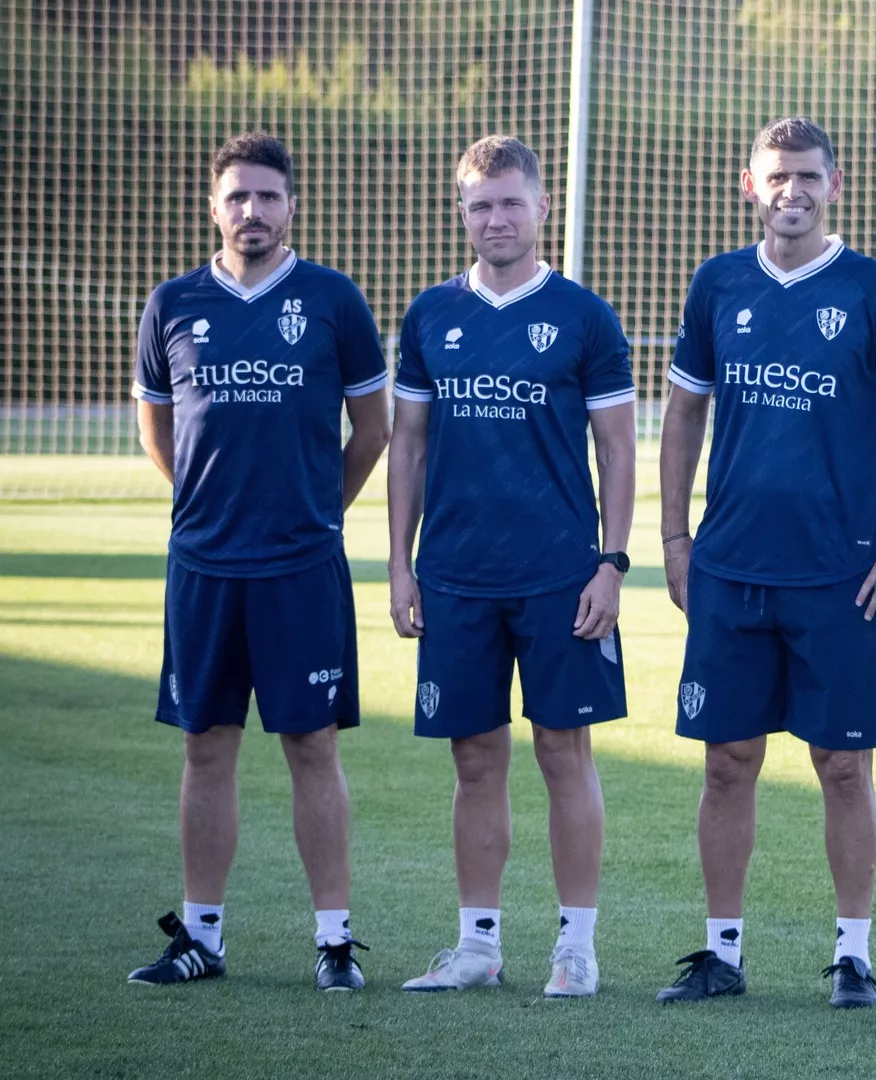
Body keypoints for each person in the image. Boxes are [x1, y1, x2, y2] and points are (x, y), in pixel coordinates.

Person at [655, 117, 876, 1009]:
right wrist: (672, 537)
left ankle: (853, 956)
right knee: (727, 761)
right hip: (731, 569)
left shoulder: (870, 289)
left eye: (808, 176)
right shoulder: (718, 284)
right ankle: (721, 953)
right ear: (750, 184)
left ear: (835, 183)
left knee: (843, 765)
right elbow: (684, 415)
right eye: (777, 177)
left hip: (840, 575)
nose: (793, 191)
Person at [128, 131, 389, 992]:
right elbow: (159, 435)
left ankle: (335, 942)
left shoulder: (332, 300)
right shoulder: (170, 303)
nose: (252, 210)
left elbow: (375, 429)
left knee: (311, 745)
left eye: (268, 196)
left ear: (291, 204)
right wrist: (210, 508)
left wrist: (316, 510)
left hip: (301, 566)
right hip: (203, 564)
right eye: (237, 196)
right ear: (215, 205)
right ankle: (201, 936)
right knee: (206, 746)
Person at [387, 135, 636, 1000]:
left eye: (510, 203)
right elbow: (408, 444)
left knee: (565, 753)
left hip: (560, 576)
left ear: (540, 208)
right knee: (474, 759)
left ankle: (576, 947)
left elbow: (616, 447)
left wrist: (611, 562)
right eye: (480, 205)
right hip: (455, 574)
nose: (496, 219)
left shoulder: (583, 315)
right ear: (463, 215)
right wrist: (399, 565)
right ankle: (478, 946)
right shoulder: (428, 317)